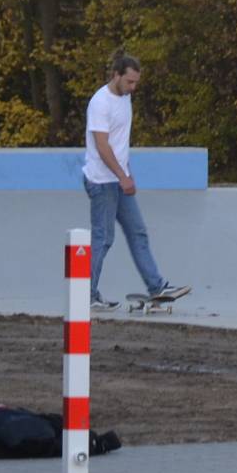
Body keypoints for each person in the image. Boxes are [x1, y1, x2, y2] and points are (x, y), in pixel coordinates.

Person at [82, 52, 187, 312]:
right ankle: (86, 294)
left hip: (118, 179)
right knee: (103, 238)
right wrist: (122, 176)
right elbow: (103, 146)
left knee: (137, 232)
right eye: (129, 81)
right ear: (116, 75)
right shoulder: (100, 103)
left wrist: (127, 172)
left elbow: (120, 143)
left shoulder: (126, 98)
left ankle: (157, 288)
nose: (133, 87)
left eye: (136, 82)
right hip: (101, 181)